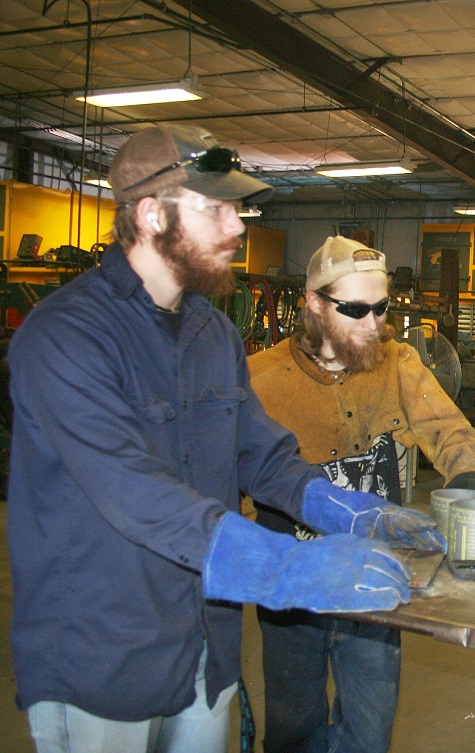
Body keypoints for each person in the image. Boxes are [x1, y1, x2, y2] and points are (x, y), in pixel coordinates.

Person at [6, 124, 443, 753]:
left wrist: (345, 510)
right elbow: (135, 494)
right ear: (151, 214)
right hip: (103, 654)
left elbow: (257, 453)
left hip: (205, 646)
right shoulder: (64, 338)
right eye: (215, 209)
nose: (237, 227)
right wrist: (286, 567)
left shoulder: (210, 333)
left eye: (236, 208)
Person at [247, 235, 475, 753]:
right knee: (294, 730)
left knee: (369, 731)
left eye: (381, 308)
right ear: (315, 304)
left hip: (374, 582)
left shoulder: (398, 362)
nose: (374, 324)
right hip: (292, 590)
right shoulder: (260, 381)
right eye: (356, 309)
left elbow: (447, 431)